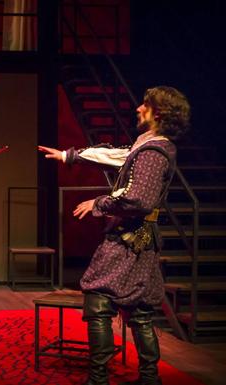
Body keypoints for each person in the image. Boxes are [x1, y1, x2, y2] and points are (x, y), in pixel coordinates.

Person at [39, 86, 190, 385]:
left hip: (130, 237)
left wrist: (99, 203)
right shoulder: (150, 146)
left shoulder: (154, 151)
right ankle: (148, 379)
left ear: (157, 112)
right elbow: (118, 156)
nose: (138, 108)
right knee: (140, 309)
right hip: (138, 238)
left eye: (144, 105)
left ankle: (99, 378)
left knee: (98, 299)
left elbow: (138, 200)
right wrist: (69, 156)